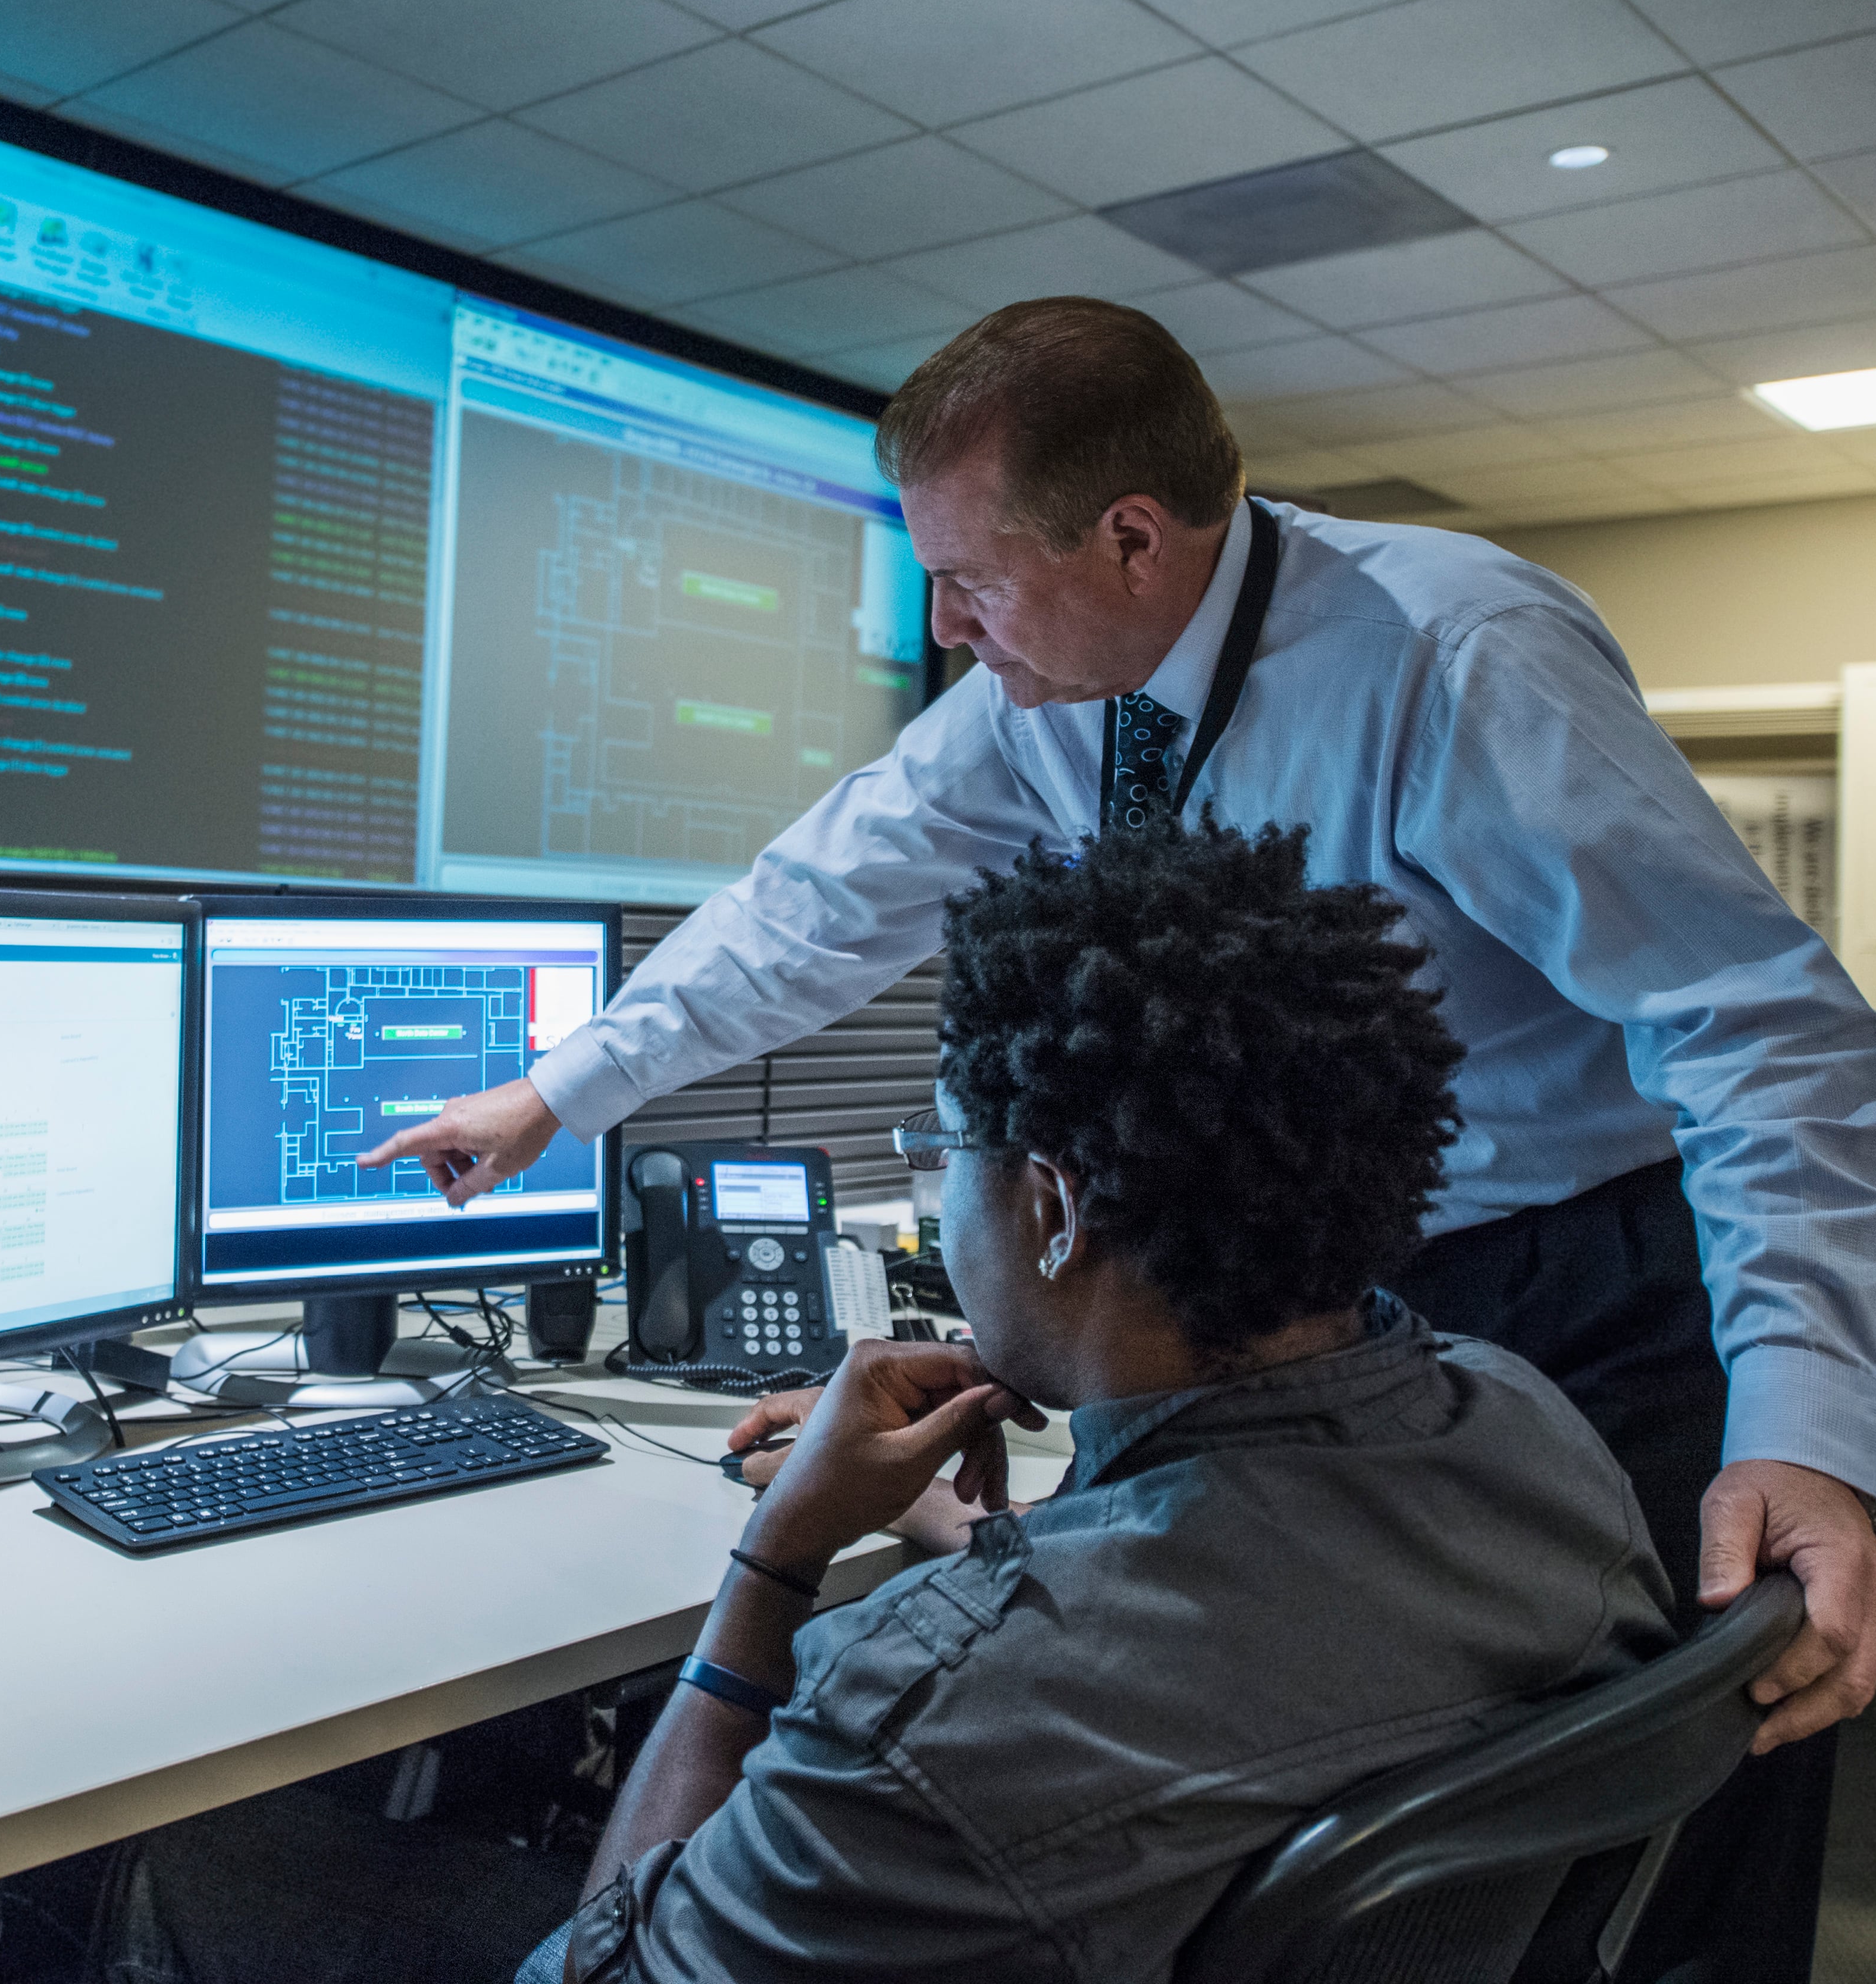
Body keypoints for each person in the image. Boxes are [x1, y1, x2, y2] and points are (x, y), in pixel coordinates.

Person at [369, 297, 1876, 1977]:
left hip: (1594, 1290)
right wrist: (562, 1089)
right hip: (1343, 1305)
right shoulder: (1054, 687)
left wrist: (1806, 1428)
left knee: (1670, 1809)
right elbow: (820, 896)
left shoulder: (1454, 654)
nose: (944, 626)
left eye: (969, 578)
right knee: (1344, 1795)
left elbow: (1762, 1029)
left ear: (1130, 537)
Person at [535, 821, 1675, 1983]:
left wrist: (777, 1560)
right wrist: (948, 1523)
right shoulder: (1531, 1433)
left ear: (1053, 1209)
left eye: (943, 1149)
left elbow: (600, 1970)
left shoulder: (931, 1715)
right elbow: (1240, 1582)